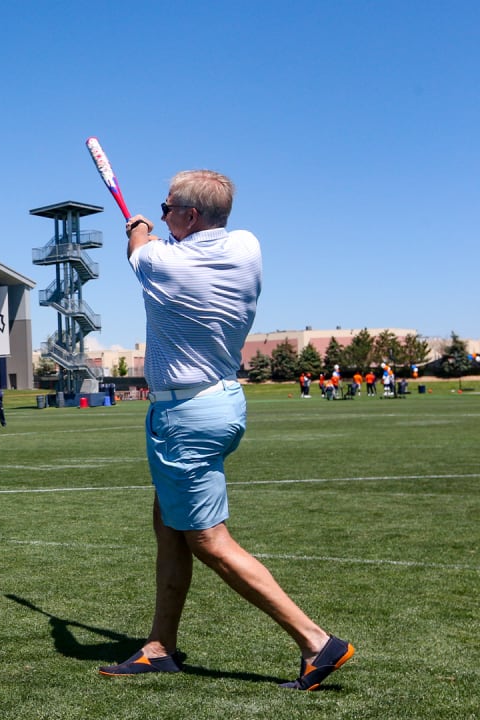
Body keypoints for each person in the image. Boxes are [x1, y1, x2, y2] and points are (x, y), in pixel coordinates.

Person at [98, 170, 353, 690]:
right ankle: (159, 646)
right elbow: (160, 243)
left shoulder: (162, 262)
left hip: (185, 413)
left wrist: (138, 226)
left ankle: (315, 642)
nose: (162, 213)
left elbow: (137, 250)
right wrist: (155, 224)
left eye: (168, 206)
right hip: (221, 401)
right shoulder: (246, 244)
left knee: (209, 541)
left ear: (190, 217)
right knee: (169, 523)